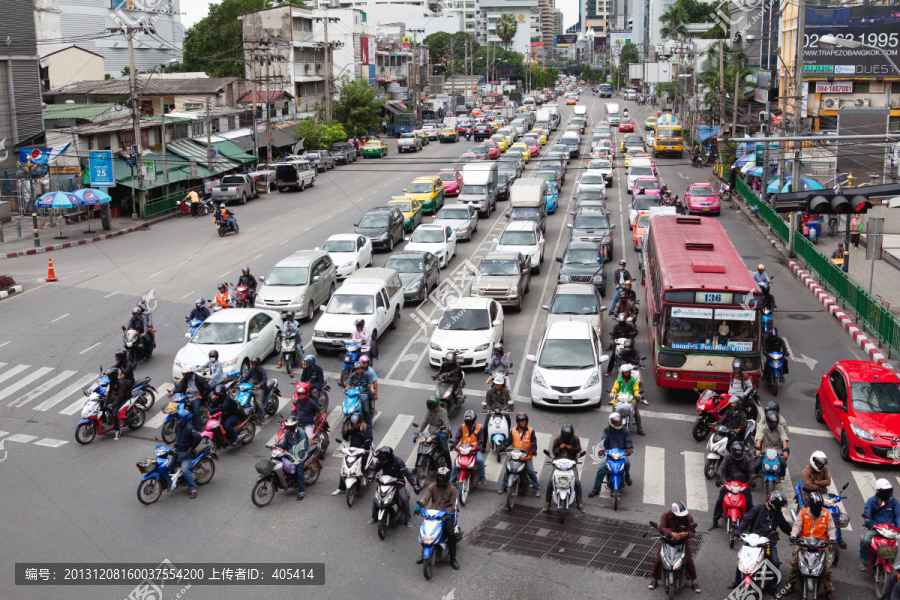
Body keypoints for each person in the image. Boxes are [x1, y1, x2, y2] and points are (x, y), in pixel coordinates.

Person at [728, 491, 792, 589]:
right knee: (742, 559)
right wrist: (738, 531)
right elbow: (746, 520)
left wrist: (794, 535)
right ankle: (737, 581)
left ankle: (773, 587)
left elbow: (785, 526)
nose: (780, 508)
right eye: (778, 506)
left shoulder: (778, 514)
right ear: (772, 504)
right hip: (753, 540)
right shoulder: (758, 509)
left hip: (769, 542)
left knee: (774, 563)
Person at [783, 492, 837, 599]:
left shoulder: (826, 514)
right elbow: (797, 525)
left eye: (819, 506)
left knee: (827, 568)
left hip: (821, 546)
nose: (818, 509)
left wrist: (832, 539)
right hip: (804, 544)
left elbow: (831, 529)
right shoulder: (803, 513)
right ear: (811, 506)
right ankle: (790, 586)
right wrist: (793, 536)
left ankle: (828, 590)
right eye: (816, 507)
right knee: (794, 564)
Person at [648, 502, 701, 593]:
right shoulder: (666, 516)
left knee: (689, 561)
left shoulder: (688, 517)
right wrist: (671, 533)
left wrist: (686, 534)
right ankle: (655, 579)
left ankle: (693, 581)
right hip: (667, 540)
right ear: (674, 513)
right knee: (658, 560)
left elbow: (692, 531)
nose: (681, 517)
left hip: (682, 541)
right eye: (679, 515)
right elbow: (662, 527)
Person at [414, 467, 460, 570]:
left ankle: (453, 558)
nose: (440, 480)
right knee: (424, 533)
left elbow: (452, 505)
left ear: (447, 479)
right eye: (439, 478)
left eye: (443, 478)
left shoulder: (452, 489)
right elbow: (426, 497)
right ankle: (424, 553)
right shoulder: (432, 486)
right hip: (432, 514)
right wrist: (420, 505)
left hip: (446, 515)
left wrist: (446, 514)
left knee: (451, 534)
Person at [368, 446, 418, 527]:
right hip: (385, 482)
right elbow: (374, 469)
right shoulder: (381, 461)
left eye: (382, 458)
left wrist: (414, 485)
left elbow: (407, 474)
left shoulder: (398, 461)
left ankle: (408, 519)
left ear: (388, 457)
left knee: (404, 499)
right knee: (375, 498)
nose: (380, 460)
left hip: (398, 483)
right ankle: (374, 517)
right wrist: (372, 475)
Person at [710, 441, 756, 530]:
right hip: (729, 484)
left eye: (739, 455)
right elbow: (721, 468)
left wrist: (753, 481)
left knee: (749, 504)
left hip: (742, 486)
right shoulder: (727, 458)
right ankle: (715, 520)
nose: (738, 457)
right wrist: (718, 478)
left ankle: (752, 523)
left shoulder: (747, 460)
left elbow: (751, 472)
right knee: (720, 501)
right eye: (736, 455)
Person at [589, 412, 633, 497]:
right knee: (601, 468)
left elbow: (628, 441)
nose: (618, 423)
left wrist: (629, 449)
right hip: (609, 453)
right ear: (611, 423)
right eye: (616, 422)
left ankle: (627, 476)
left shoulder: (625, 430)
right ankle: (596, 488)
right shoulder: (607, 430)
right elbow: (603, 440)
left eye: (619, 422)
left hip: (621, 453)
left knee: (627, 463)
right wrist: (601, 449)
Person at [860, 479, 900, 571]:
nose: (888, 493)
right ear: (878, 491)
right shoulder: (871, 501)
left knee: (894, 545)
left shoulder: (893, 501)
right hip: (875, 528)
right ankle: (863, 561)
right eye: (886, 491)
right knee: (865, 541)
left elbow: (898, 515)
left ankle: (889, 560)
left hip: (889, 530)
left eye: (889, 490)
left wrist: (899, 526)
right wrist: (867, 522)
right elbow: (867, 513)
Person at [543, 424, 584, 513]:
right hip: (559, 463)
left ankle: (579, 503)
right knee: (551, 481)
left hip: (571, 462)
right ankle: (547, 501)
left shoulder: (575, 439)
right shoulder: (557, 439)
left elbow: (578, 449)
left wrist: (571, 448)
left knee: (577, 482)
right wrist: (559, 449)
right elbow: (554, 451)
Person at [331, 413, 373, 496]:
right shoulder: (352, 428)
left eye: (357, 424)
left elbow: (369, 439)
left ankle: (361, 481)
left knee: (360, 466)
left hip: (363, 451)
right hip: (352, 451)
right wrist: (349, 430)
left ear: (361, 422)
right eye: (353, 424)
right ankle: (341, 488)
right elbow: (345, 437)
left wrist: (362, 431)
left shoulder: (367, 427)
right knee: (345, 467)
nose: (355, 426)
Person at [499, 412, 540, 497]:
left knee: (531, 470)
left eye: (524, 421)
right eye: (521, 421)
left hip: (526, 456)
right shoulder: (513, 430)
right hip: (515, 455)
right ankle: (503, 486)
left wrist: (534, 450)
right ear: (518, 422)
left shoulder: (531, 431)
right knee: (508, 469)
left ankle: (536, 488)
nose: (523, 422)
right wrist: (504, 446)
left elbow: (534, 442)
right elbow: (508, 441)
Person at [275, 416, 309, 501]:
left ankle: (301, 492)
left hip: (301, 454)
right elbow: (284, 444)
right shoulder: (288, 432)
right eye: (287, 426)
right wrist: (274, 445)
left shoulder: (301, 433)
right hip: (291, 453)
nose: (289, 428)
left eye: (290, 426)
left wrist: (298, 460)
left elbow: (304, 448)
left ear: (295, 425)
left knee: (299, 472)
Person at [449, 410, 486, 486]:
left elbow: (481, 440)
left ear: (474, 420)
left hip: (474, 450)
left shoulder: (479, 428)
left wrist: (479, 447)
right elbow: (457, 438)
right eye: (467, 421)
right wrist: (453, 444)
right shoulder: (462, 427)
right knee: (456, 464)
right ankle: (451, 482)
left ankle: (482, 476)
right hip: (463, 449)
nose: (469, 424)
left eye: (470, 421)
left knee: (480, 460)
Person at [609, 363, 646, 432]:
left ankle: (640, 429)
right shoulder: (619, 380)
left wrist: (637, 394)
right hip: (619, 398)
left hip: (630, 399)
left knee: (637, 414)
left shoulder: (633, 380)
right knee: (613, 413)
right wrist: (612, 392)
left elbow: (636, 389)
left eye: (627, 372)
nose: (626, 374)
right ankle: (610, 428)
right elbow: (615, 387)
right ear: (622, 373)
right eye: (625, 372)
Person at [418, 396, 452, 470]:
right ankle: (416, 466)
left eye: (432, 408)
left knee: (445, 449)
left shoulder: (443, 412)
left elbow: (446, 425)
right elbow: (425, 421)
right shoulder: (430, 411)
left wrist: (442, 432)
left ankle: (449, 467)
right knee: (423, 445)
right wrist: (420, 430)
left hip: (441, 432)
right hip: (431, 432)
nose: (431, 410)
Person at [754, 410, 789, 476]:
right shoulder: (763, 428)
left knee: (783, 463)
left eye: (775, 422)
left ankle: (781, 476)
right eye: (772, 422)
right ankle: (753, 479)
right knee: (757, 464)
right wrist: (758, 449)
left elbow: (784, 439)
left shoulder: (780, 428)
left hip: (777, 450)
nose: (773, 423)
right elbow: (759, 439)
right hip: (765, 450)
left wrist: (785, 451)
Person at [240, 357, 268, 428]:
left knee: (259, 403)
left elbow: (265, 379)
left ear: (258, 364)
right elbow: (246, 378)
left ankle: (262, 421)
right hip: (253, 387)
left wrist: (259, 385)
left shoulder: (263, 370)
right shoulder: (252, 370)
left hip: (261, 388)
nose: (252, 366)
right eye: (252, 364)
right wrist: (239, 382)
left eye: (254, 364)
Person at [348, 361, 376, 430]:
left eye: (360, 369)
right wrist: (344, 390)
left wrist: (372, 389)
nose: (359, 370)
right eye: (357, 369)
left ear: (362, 369)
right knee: (350, 409)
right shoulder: (353, 375)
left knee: (366, 410)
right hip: (355, 395)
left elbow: (371, 383)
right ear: (355, 369)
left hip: (364, 394)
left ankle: (369, 427)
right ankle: (348, 426)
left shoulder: (367, 375)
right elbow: (349, 385)